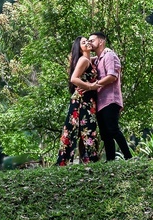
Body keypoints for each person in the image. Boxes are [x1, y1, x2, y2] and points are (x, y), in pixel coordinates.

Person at [55, 37, 101, 165]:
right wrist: (90, 86)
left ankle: (87, 159)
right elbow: (74, 79)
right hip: (82, 100)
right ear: (80, 49)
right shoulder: (83, 60)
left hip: (87, 100)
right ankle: (90, 159)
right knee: (85, 129)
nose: (87, 43)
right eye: (83, 42)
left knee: (84, 129)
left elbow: (94, 59)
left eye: (88, 41)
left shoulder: (88, 60)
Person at [88, 31, 132, 160]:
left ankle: (129, 157)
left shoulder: (109, 56)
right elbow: (86, 59)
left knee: (113, 129)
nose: (90, 43)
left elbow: (112, 76)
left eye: (92, 40)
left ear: (101, 41)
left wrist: (94, 85)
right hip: (101, 101)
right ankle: (110, 160)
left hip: (110, 99)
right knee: (105, 134)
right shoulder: (98, 59)